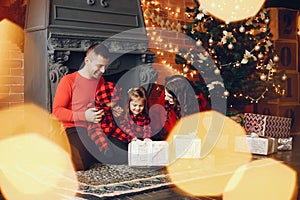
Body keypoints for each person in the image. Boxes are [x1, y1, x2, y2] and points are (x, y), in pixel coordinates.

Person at [52, 43, 111, 171]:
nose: (103, 71)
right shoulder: (69, 80)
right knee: (82, 163)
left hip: (96, 127)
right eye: (100, 66)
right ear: (87, 61)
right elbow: (56, 112)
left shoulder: (100, 81)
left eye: (105, 66)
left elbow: (103, 102)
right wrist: (85, 116)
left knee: (113, 153)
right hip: (73, 127)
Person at [150, 75, 200, 141]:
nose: (166, 98)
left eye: (170, 97)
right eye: (165, 95)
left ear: (180, 98)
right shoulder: (165, 101)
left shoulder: (195, 106)